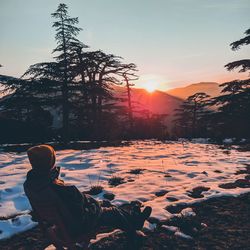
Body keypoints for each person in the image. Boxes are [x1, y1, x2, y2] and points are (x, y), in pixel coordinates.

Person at [24, 144, 152, 240]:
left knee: (106, 206)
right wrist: (96, 206)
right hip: (76, 227)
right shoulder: (63, 189)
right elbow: (80, 215)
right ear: (50, 161)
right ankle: (135, 226)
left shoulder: (31, 184)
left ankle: (134, 218)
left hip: (60, 225)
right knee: (112, 211)